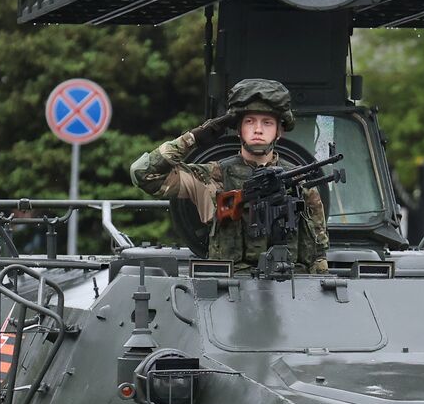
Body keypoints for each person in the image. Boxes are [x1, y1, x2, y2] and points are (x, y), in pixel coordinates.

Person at [130, 79, 329, 273]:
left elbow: (318, 257)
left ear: (279, 131)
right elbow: (143, 173)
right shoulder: (210, 178)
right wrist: (193, 138)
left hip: (289, 292)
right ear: (238, 128)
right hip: (226, 293)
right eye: (249, 121)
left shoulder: (299, 182)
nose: (258, 129)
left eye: (267, 122)